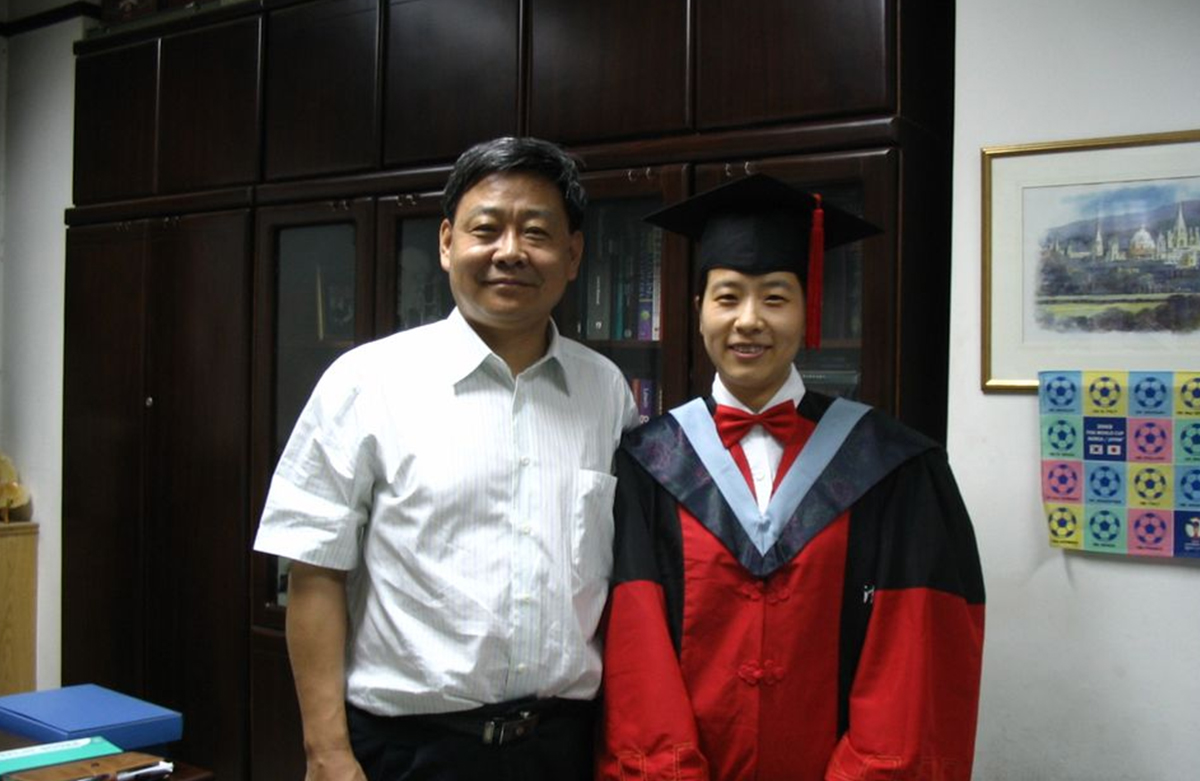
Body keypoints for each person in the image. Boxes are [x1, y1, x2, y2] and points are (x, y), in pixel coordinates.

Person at [254, 136, 639, 781]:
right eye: (486, 229)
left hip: (562, 748)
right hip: (408, 751)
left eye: (536, 232)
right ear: (446, 243)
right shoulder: (367, 382)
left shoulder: (606, 392)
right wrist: (326, 752)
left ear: (573, 254)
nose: (509, 251)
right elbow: (314, 569)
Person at [598, 174, 985, 780]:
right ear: (698, 311)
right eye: (728, 298)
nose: (749, 320)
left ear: (809, 312)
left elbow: (915, 657)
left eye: (776, 298)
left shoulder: (893, 465)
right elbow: (634, 650)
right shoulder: (648, 463)